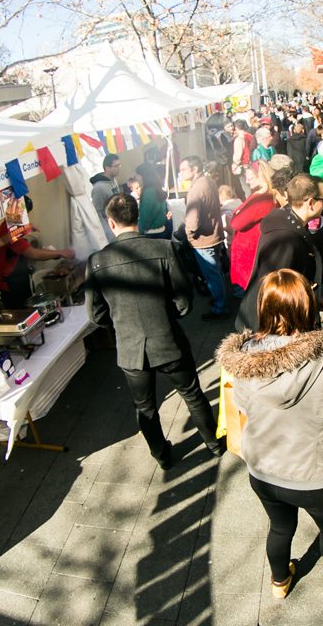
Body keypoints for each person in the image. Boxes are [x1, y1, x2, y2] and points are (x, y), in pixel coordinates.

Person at [216, 269, 323, 599]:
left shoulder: (242, 360)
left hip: (262, 470)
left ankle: (280, 582)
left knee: (280, 527)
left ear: (263, 307)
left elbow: (241, 405)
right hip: (315, 474)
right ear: (306, 306)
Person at [84, 194, 223, 468]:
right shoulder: (165, 248)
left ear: (111, 223)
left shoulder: (97, 261)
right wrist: (166, 314)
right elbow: (184, 301)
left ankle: (162, 456)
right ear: (137, 217)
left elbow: (96, 315)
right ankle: (214, 444)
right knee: (192, 394)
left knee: (144, 407)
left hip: (130, 346)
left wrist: (121, 323)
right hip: (167, 337)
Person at [236, 174, 323, 331]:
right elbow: (276, 291)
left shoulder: (288, 223)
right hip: (269, 328)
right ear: (311, 203)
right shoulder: (286, 240)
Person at [0, 221, 75, 309]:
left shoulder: (11, 227)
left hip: (19, 281)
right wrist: (60, 253)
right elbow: (33, 254)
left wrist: (53, 253)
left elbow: (21, 252)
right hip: (12, 288)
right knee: (24, 316)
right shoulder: (8, 229)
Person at [229, 161, 278, 295]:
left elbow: (236, 223)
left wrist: (237, 214)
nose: (247, 181)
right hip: (252, 246)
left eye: (250, 178)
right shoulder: (264, 195)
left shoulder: (263, 199)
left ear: (261, 176)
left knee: (251, 289)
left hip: (250, 248)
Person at [184, 177, 230, 320]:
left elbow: (192, 222)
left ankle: (219, 308)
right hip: (214, 236)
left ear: (193, 169)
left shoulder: (195, 189)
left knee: (212, 275)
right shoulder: (209, 181)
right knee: (217, 273)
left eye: (184, 169)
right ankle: (219, 300)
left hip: (204, 240)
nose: (181, 173)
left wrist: (188, 233)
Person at [91, 154, 121, 241]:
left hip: (119, 223)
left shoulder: (113, 180)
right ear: (107, 168)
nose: (118, 168)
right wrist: (109, 233)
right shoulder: (99, 188)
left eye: (119, 165)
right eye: (116, 166)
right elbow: (98, 212)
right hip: (111, 230)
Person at [136, 167, 171, 239]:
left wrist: (140, 232)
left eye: (137, 175)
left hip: (151, 234)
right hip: (161, 231)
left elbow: (146, 216)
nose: (136, 178)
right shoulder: (156, 188)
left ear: (144, 176)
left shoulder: (149, 192)